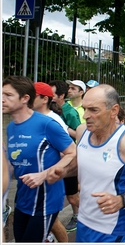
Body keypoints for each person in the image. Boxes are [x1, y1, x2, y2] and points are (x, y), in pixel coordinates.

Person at [74, 84, 125, 242]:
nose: (86, 116)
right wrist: (54, 172)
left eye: (94, 110)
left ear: (114, 111)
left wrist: (121, 200)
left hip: (113, 229)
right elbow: (82, 165)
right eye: (85, 109)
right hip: (83, 222)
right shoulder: (82, 131)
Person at [2, 76, 77, 242]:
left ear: (24, 99)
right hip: (23, 198)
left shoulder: (47, 124)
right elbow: (16, 163)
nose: (2, 99)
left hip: (45, 200)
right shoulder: (11, 127)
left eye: (8, 95)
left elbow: (72, 152)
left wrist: (44, 174)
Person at [33, 82, 70, 242]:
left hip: (49, 182)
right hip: (31, 183)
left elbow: (67, 152)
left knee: (52, 220)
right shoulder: (31, 118)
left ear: (43, 99)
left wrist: (52, 173)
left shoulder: (53, 121)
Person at [48, 80, 81, 232]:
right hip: (55, 158)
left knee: (73, 196)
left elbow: (79, 135)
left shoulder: (70, 112)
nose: (50, 96)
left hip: (70, 158)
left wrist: (64, 128)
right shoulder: (51, 109)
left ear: (60, 96)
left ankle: (82, 215)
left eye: (53, 94)